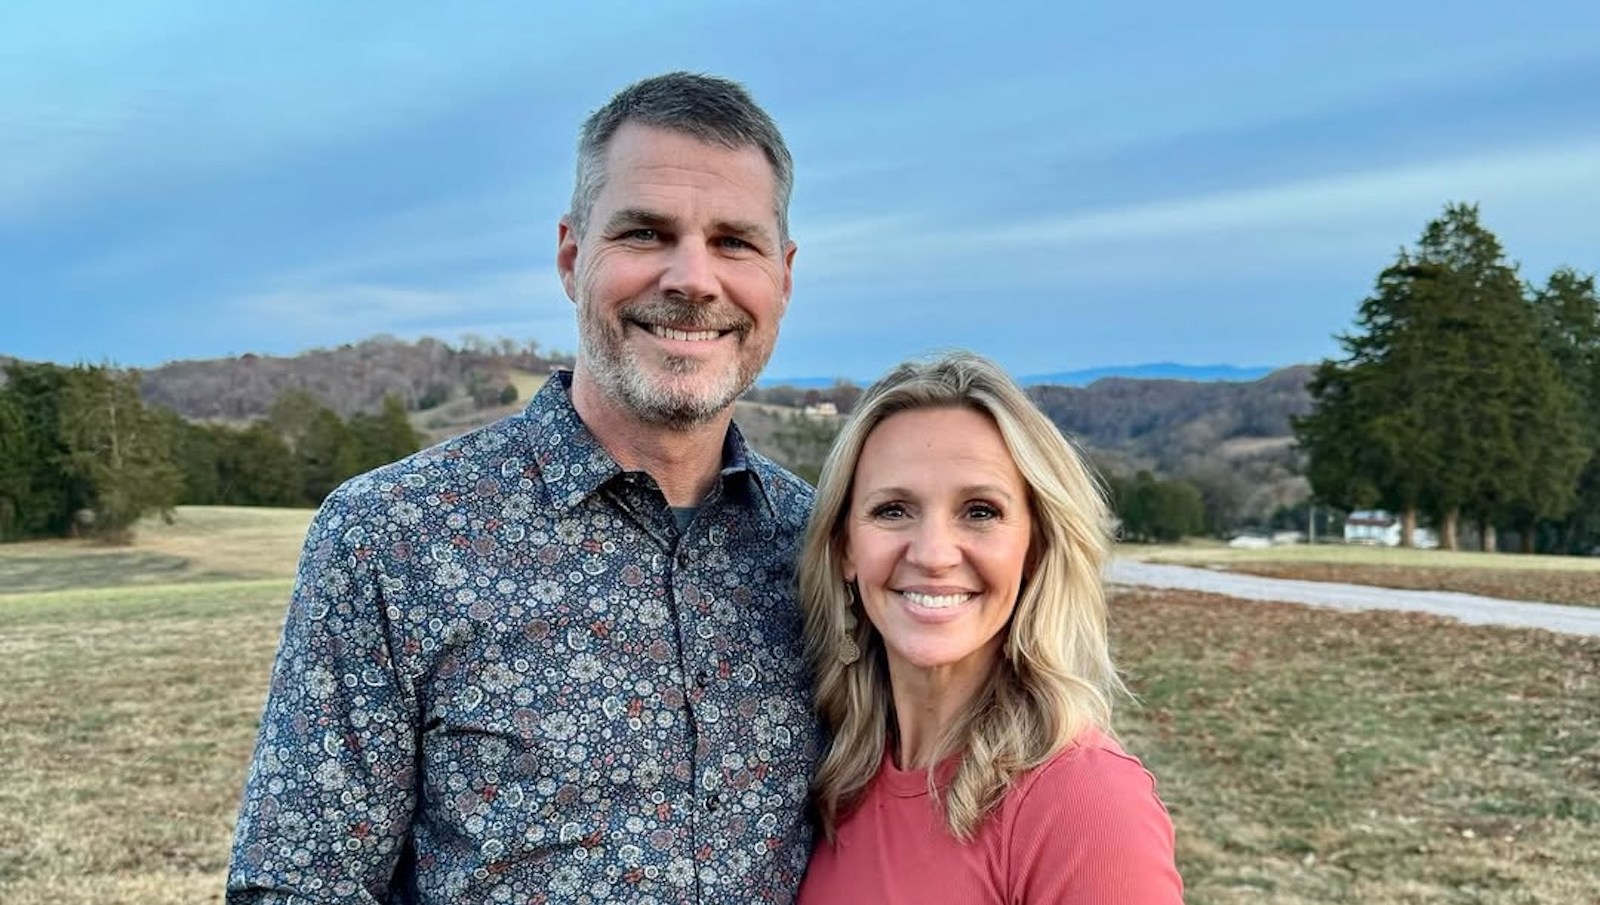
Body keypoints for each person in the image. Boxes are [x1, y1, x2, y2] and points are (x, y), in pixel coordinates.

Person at [226, 72, 820, 904]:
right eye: (645, 233)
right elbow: (299, 884)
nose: (692, 278)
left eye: (733, 242)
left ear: (782, 276)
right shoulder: (393, 536)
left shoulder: (826, 548)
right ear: (572, 257)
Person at [796, 352, 1184, 904]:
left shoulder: (1086, 804)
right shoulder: (835, 776)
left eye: (980, 511)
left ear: (1035, 547)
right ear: (844, 549)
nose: (933, 554)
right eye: (893, 510)